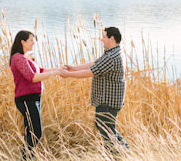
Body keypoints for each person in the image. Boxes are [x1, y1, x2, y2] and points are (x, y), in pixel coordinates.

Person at [60, 26, 129, 154]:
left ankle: (115, 154)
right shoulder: (112, 52)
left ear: (111, 38)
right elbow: (96, 63)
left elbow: (90, 72)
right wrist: (74, 68)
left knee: (105, 128)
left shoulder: (112, 56)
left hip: (108, 101)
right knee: (106, 127)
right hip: (109, 99)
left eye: (104, 37)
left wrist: (68, 74)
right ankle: (125, 151)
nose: (101, 39)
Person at [10, 30, 59, 160]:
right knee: (36, 132)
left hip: (34, 98)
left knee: (31, 132)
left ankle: (27, 157)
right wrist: (54, 73)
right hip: (26, 99)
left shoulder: (26, 57)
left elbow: (40, 71)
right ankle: (27, 158)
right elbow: (32, 77)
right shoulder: (18, 58)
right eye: (31, 40)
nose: (34, 43)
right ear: (23, 42)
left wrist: (58, 69)